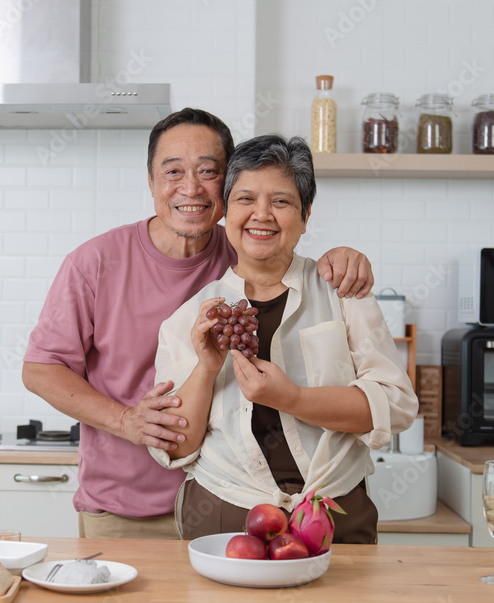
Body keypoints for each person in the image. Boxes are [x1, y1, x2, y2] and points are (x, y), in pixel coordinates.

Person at [22, 108, 376, 540]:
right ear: (151, 182)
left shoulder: (248, 263)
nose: (190, 187)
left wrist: (341, 258)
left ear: (228, 185)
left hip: (234, 504)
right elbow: (41, 369)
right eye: (173, 171)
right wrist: (125, 421)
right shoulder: (95, 262)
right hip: (127, 507)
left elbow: (300, 272)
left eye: (208, 171)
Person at [149, 134, 418, 543]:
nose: (262, 215)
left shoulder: (343, 292)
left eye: (281, 201)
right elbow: (176, 445)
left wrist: (291, 398)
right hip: (225, 513)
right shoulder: (189, 318)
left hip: (334, 513)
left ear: (305, 215)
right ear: (224, 210)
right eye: (245, 199)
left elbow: (396, 406)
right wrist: (207, 368)